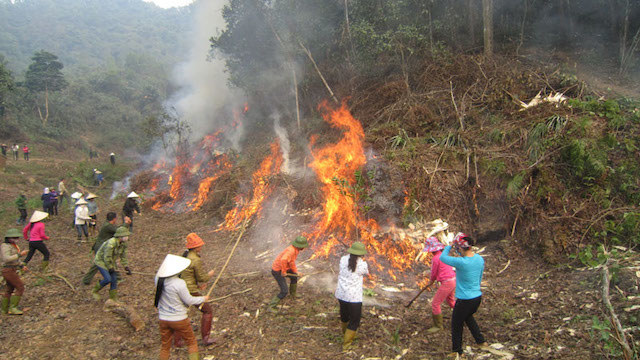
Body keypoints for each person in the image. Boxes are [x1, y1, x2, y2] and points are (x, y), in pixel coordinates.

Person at [440, 234, 488, 359]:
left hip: (465, 300)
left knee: (456, 324)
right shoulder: (479, 259)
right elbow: (480, 276)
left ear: (461, 248)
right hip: (477, 297)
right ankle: (481, 341)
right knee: (468, 318)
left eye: (457, 248)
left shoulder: (461, 262)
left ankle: (457, 351)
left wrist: (449, 246)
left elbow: (443, 257)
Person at [155, 254, 209, 360]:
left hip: (163, 318)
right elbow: (189, 300)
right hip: (179, 319)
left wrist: (197, 287)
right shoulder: (179, 283)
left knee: (165, 347)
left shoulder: (158, 279)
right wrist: (203, 298)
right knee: (191, 342)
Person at [178, 233, 216, 346]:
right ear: (195, 247)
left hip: (180, 287)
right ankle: (206, 339)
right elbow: (202, 277)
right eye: (200, 245)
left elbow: (187, 275)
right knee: (207, 311)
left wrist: (198, 286)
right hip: (189, 290)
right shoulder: (195, 259)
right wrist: (210, 274)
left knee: (180, 312)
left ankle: (177, 341)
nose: (201, 247)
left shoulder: (185, 255)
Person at [335, 242, 369, 351]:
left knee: (344, 316)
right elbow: (366, 273)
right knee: (354, 321)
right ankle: (346, 345)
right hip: (354, 297)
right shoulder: (362, 265)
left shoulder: (343, 259)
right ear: (361, 254)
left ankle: (345, 334)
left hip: (341, 293)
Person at [421, 237, 456, 333]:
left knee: (435, 303)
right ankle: (465, 317)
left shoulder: (436, 258)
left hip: (447, 282)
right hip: (453, 280)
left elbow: (434, 272)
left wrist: (431, 281)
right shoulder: (443, 255)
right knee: (451, 301)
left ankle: (438, 326)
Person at [268, 235, 308, 311]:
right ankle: (271, 306)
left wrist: (296, 272)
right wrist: (283, 272)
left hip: (285, 268)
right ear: (300, 246)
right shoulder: (291, 251)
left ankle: (293, 294)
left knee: (294, 277)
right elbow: (283, 260)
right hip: (277, 270)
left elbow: (291, 262)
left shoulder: (295, 250)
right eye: (303, 246)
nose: (304, 248)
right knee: (284, 291)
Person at [92, 226, 131, 301]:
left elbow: (123, 256)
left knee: (114, 280)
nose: (127, 237)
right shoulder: (111, 243)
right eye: (125, 236)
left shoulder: (123, 244)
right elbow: (107, 257)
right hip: (101, 261)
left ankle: (113, 298)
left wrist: (126, 267)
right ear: (120, 236)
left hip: (110, 261)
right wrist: (110, 267)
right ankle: (95, 290)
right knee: (108, 279)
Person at [82, 212, 118, 285]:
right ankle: (86, 279)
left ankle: (117, 277)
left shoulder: (108, 224)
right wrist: (126, 223)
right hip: (100, 247)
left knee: (109, 260)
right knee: (98, 263)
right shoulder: (108, 226)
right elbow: (119, 231)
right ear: (114, 219)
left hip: (102, 247)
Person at [1, 228, 29, 315]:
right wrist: (19, 254)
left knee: (9, 289)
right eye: (15, 237)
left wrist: (21, 265)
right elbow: (6, 259)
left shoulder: (13, 246)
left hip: (12, 269)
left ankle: (4, 309)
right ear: (9, 238)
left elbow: (15, 260)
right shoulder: (5, 246)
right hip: (7, 270)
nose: (17, 239)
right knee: (20, 286)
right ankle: (13, 308)